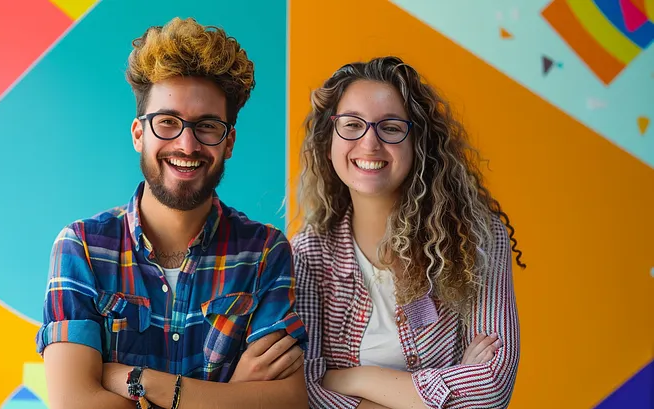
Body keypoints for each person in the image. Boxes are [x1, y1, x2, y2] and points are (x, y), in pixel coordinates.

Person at [36, 17, 308, 409]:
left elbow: (287, 401)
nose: (187, 144)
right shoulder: (82, 248)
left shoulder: (264, 252)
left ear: (228, 142)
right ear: (138, 134)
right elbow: (75, 403)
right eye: (167, 122)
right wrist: (233, 396)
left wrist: (131, 381)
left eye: (207, 127)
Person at [292, 56, 525, 409]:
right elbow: (302, 393)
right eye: (352, 125)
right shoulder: (308, 255)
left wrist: (352, 378)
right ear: (329, 139)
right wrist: (449, 385)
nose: (369, 144)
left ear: (419, 142)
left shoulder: (476, 240)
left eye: (390, 127)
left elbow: (491, 387)